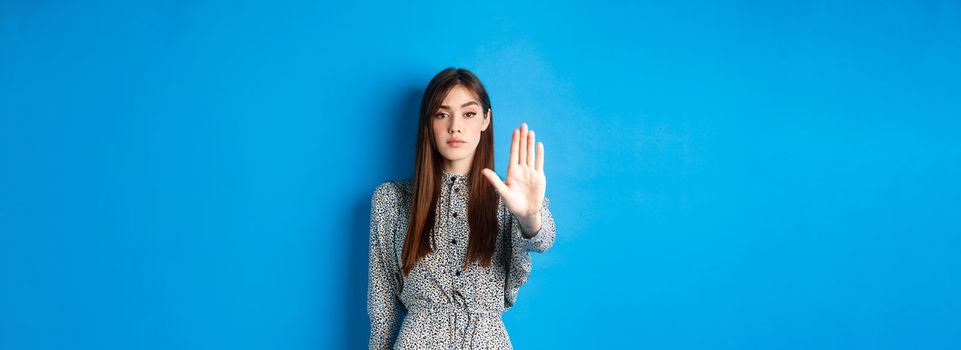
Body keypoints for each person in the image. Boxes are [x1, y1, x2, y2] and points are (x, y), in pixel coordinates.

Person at [367, 67, 556, 349]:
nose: (455, 126)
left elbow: (542, 240)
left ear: (485, 119)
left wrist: (530, 216)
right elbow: (382, 308)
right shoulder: (391, 199)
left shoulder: (509, 197)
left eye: (468, 113)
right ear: (429, 122)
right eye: (442, 114)